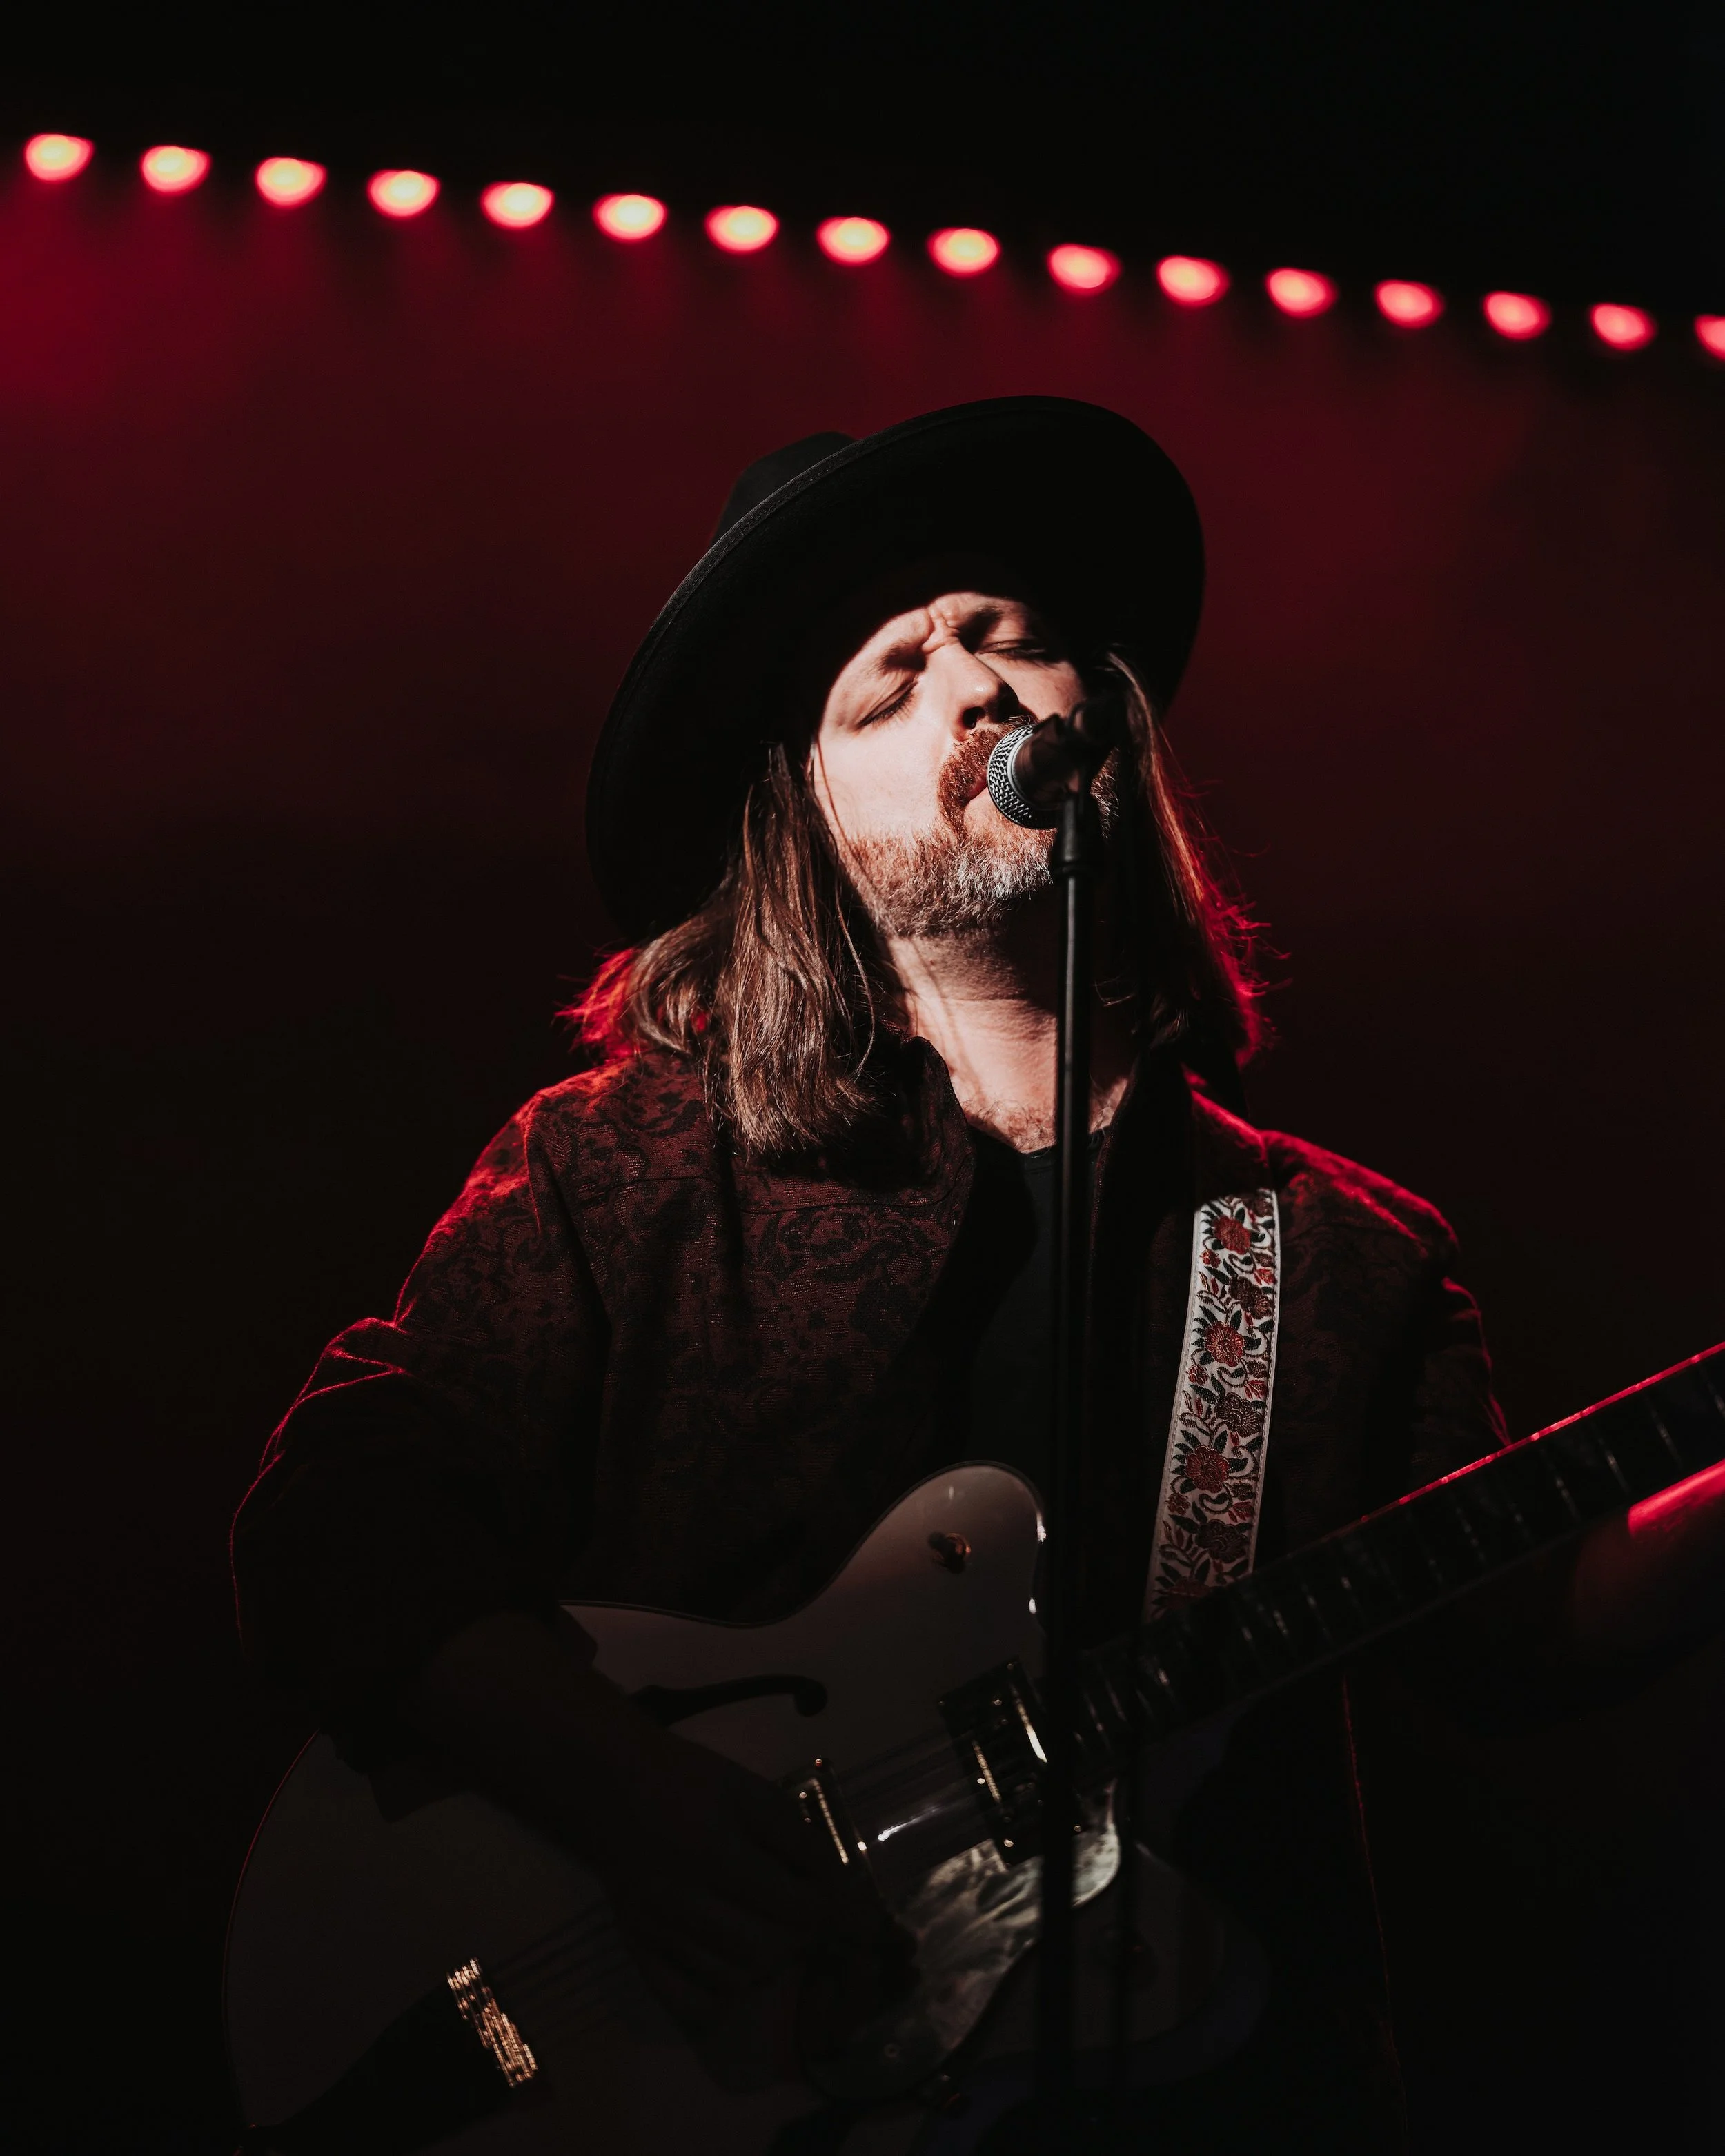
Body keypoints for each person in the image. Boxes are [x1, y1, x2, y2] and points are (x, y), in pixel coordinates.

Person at [231, 398, 1725, 2151]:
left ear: (1103, 717)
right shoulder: (625, 1161)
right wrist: (637, 1803)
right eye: (889, 679)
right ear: (803, 814)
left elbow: (1520, 1621)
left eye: (1009, 638)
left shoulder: (1333, 1253)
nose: (977, 686)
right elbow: (337, 1511)